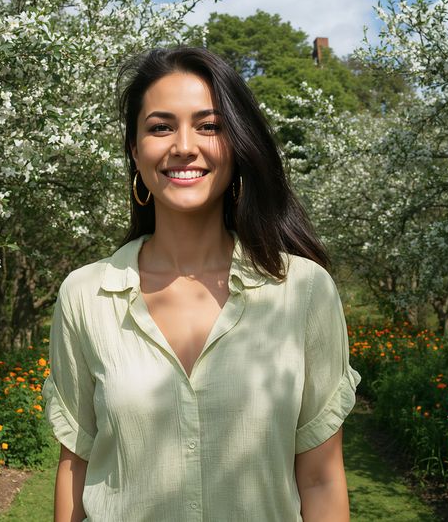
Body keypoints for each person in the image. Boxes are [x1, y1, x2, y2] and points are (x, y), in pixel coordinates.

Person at [43, 47, 360, 521]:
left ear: (236, 145)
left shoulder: (304, 291)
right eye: (160, 127)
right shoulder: (85, 296)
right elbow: (77, 463)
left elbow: (320, 476)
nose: (184, 146)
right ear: (135, 149)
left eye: (209, 126)